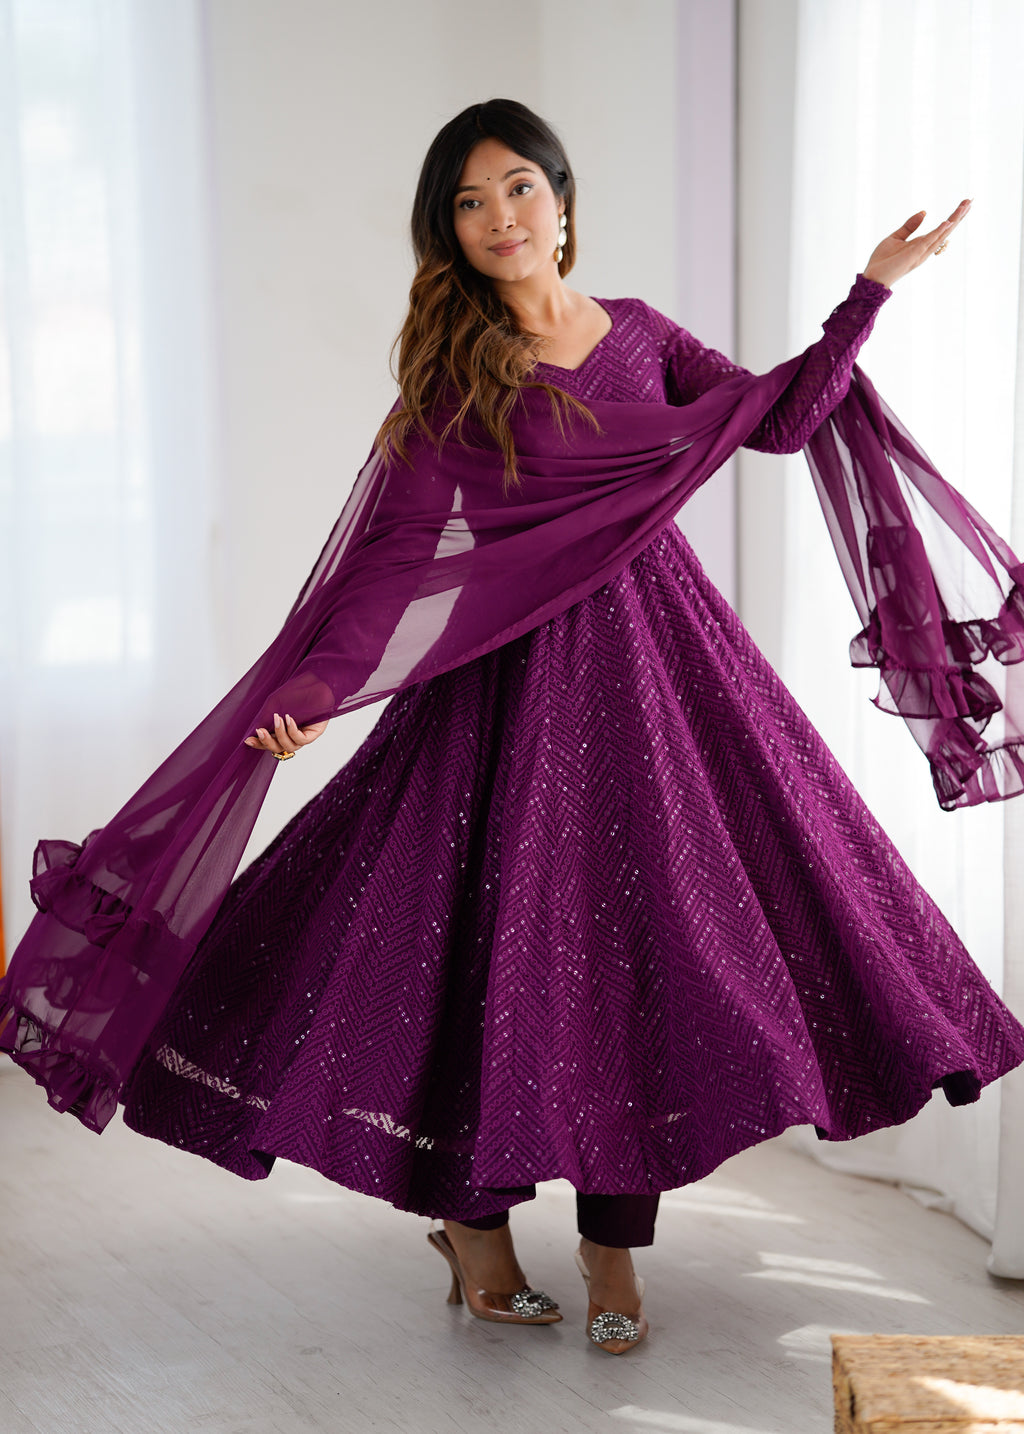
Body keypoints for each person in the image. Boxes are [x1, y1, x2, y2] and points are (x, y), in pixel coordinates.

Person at [5, 99, 1024, 1358]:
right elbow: (393, 559)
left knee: (648, 957)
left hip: (662, 678)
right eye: (470, 202)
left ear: (562, 200)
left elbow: (775, 419)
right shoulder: (456, 373)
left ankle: (612, 1246)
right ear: (448, 229)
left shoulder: (638, 334)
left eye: (518, 189)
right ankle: (473, 1232)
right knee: (466, 960)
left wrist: (866, 294)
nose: (500, 218)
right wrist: (317, 690)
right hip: (499, 691)